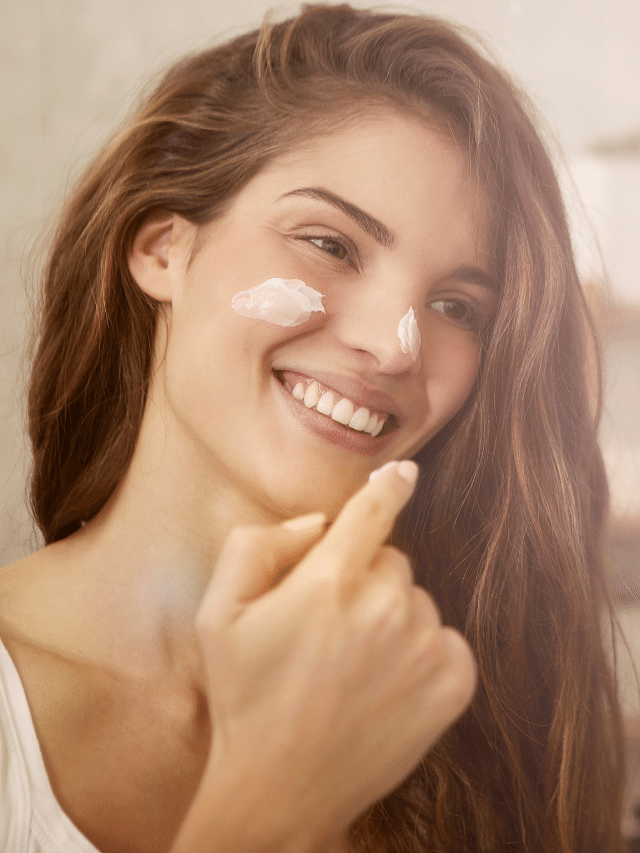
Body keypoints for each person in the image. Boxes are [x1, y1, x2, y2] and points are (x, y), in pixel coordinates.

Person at [0, 4, 626, 852]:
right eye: (329, 243)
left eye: (455, 306)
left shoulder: (482, 728)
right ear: (161, 249)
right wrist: (269, 810)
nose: (395, 344)